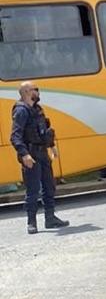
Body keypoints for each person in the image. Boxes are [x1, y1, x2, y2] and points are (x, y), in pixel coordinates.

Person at [9, 81, 70, 234]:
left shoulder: (37, 109)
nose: (38, 92)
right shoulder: (21, 111)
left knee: (49, 186)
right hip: (31, 154)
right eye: (35, 89)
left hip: (43, 153)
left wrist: (52, 146)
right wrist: (25, 155)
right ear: (27, 92)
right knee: (33, 189)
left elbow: (44, 130)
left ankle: (50, 218)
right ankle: (31, 222)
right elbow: (15, 136)